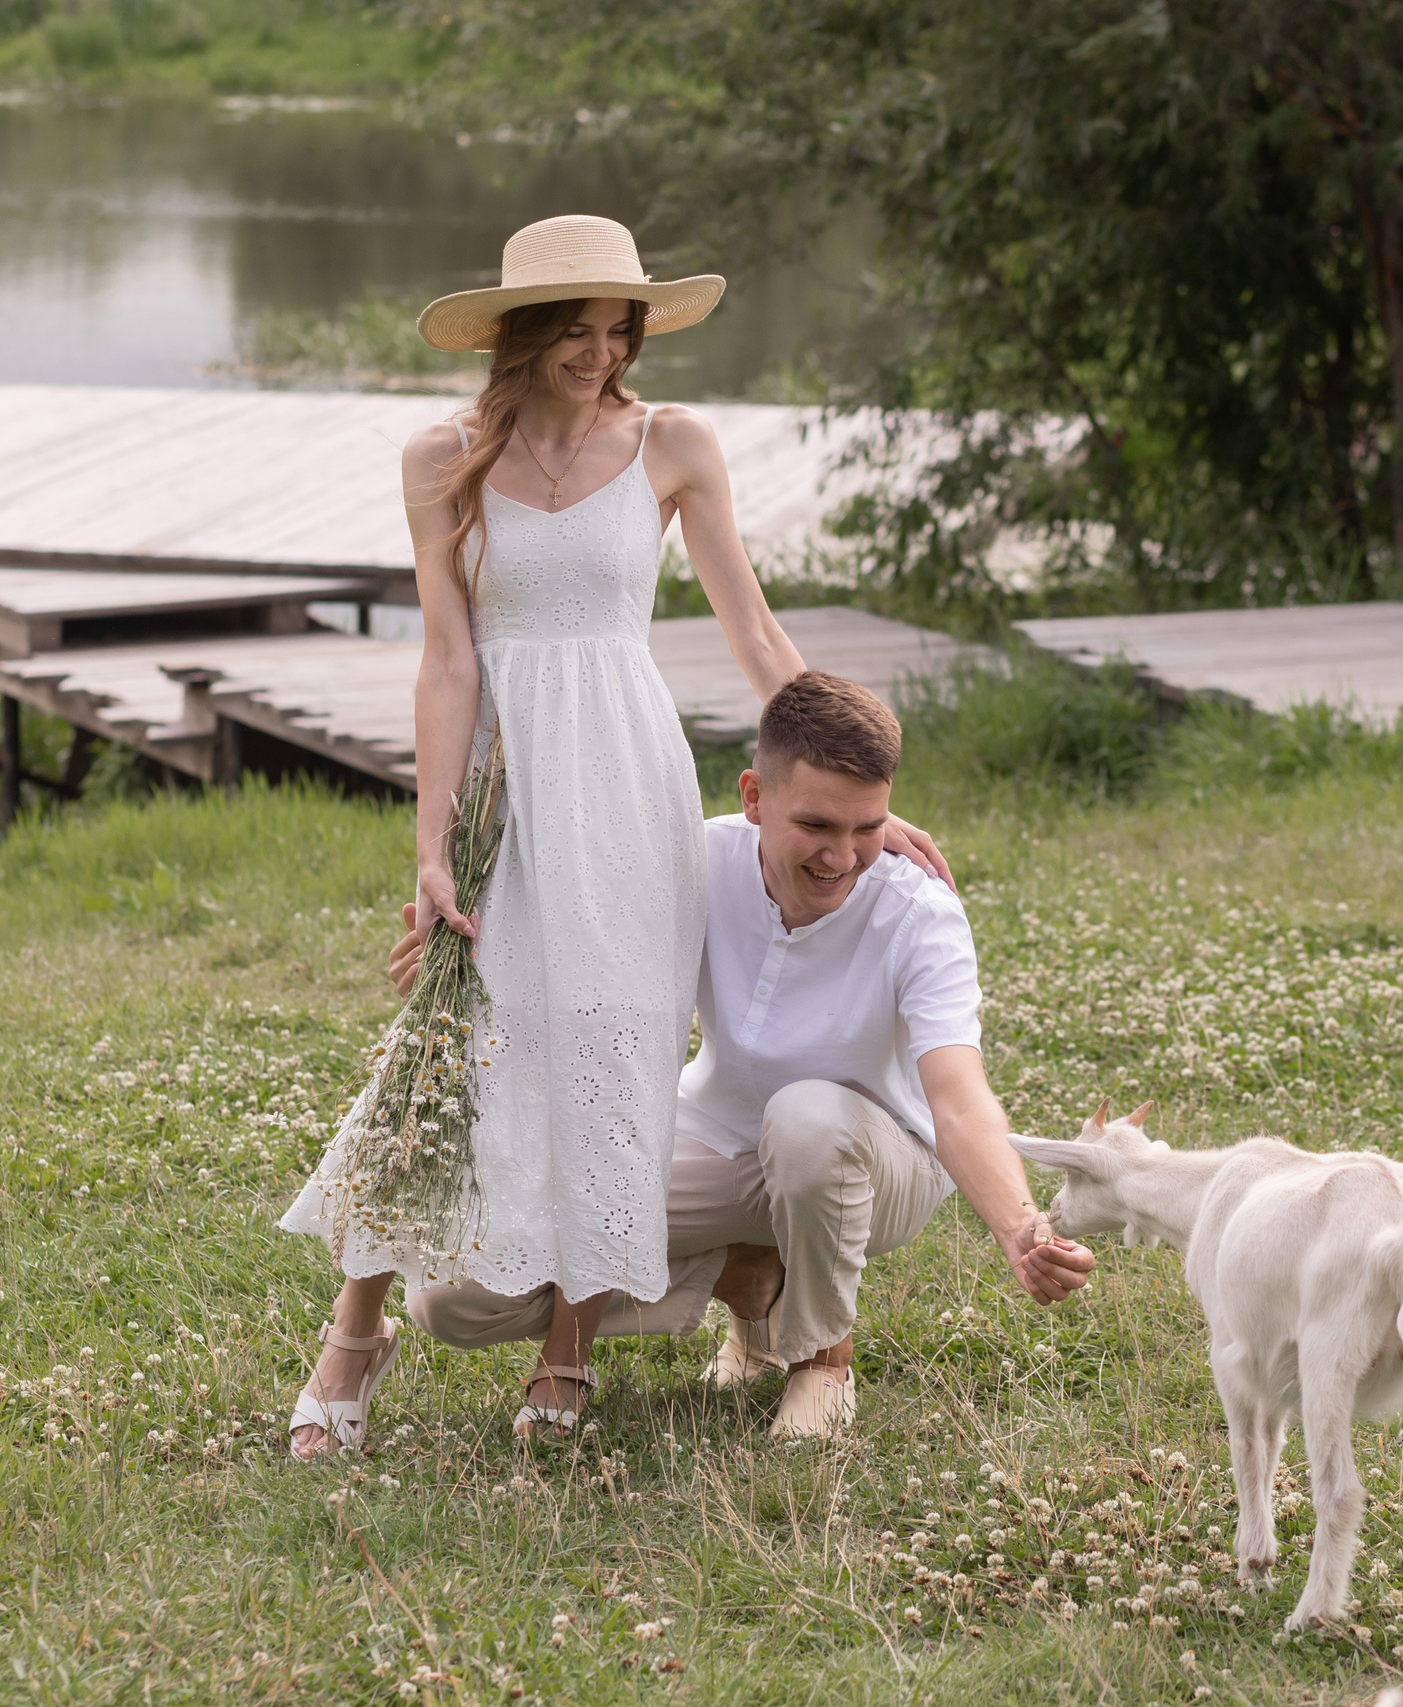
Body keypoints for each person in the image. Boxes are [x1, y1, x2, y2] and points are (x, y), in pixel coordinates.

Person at [277, 216, 949, 1458]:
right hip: (501, 789)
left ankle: (569, 1350)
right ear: (519, 334)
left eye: (617, 329)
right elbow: (443, 660)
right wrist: (430, 850)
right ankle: (352, 1338)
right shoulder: (442, 457)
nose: (599, 353)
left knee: (615, 1049)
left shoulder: (671, 443)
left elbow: (751, 632)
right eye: (574, 331)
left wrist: (854, 796)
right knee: (443, 1048)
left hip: (626, 782)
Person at [400, 672, 1097, 1439]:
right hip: (715, 1135)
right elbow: (578, 964)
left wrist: (1020, 1226)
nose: (844, 855)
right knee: (452, 1291)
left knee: (807, 1117)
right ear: (754, 797)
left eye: (868, 826)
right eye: (818, 825)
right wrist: (462, 952)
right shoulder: (699, 860)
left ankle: (821, 1359)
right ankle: (749, 1278)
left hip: (875, 1160)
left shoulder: (918, 910)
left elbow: (959, 1100)